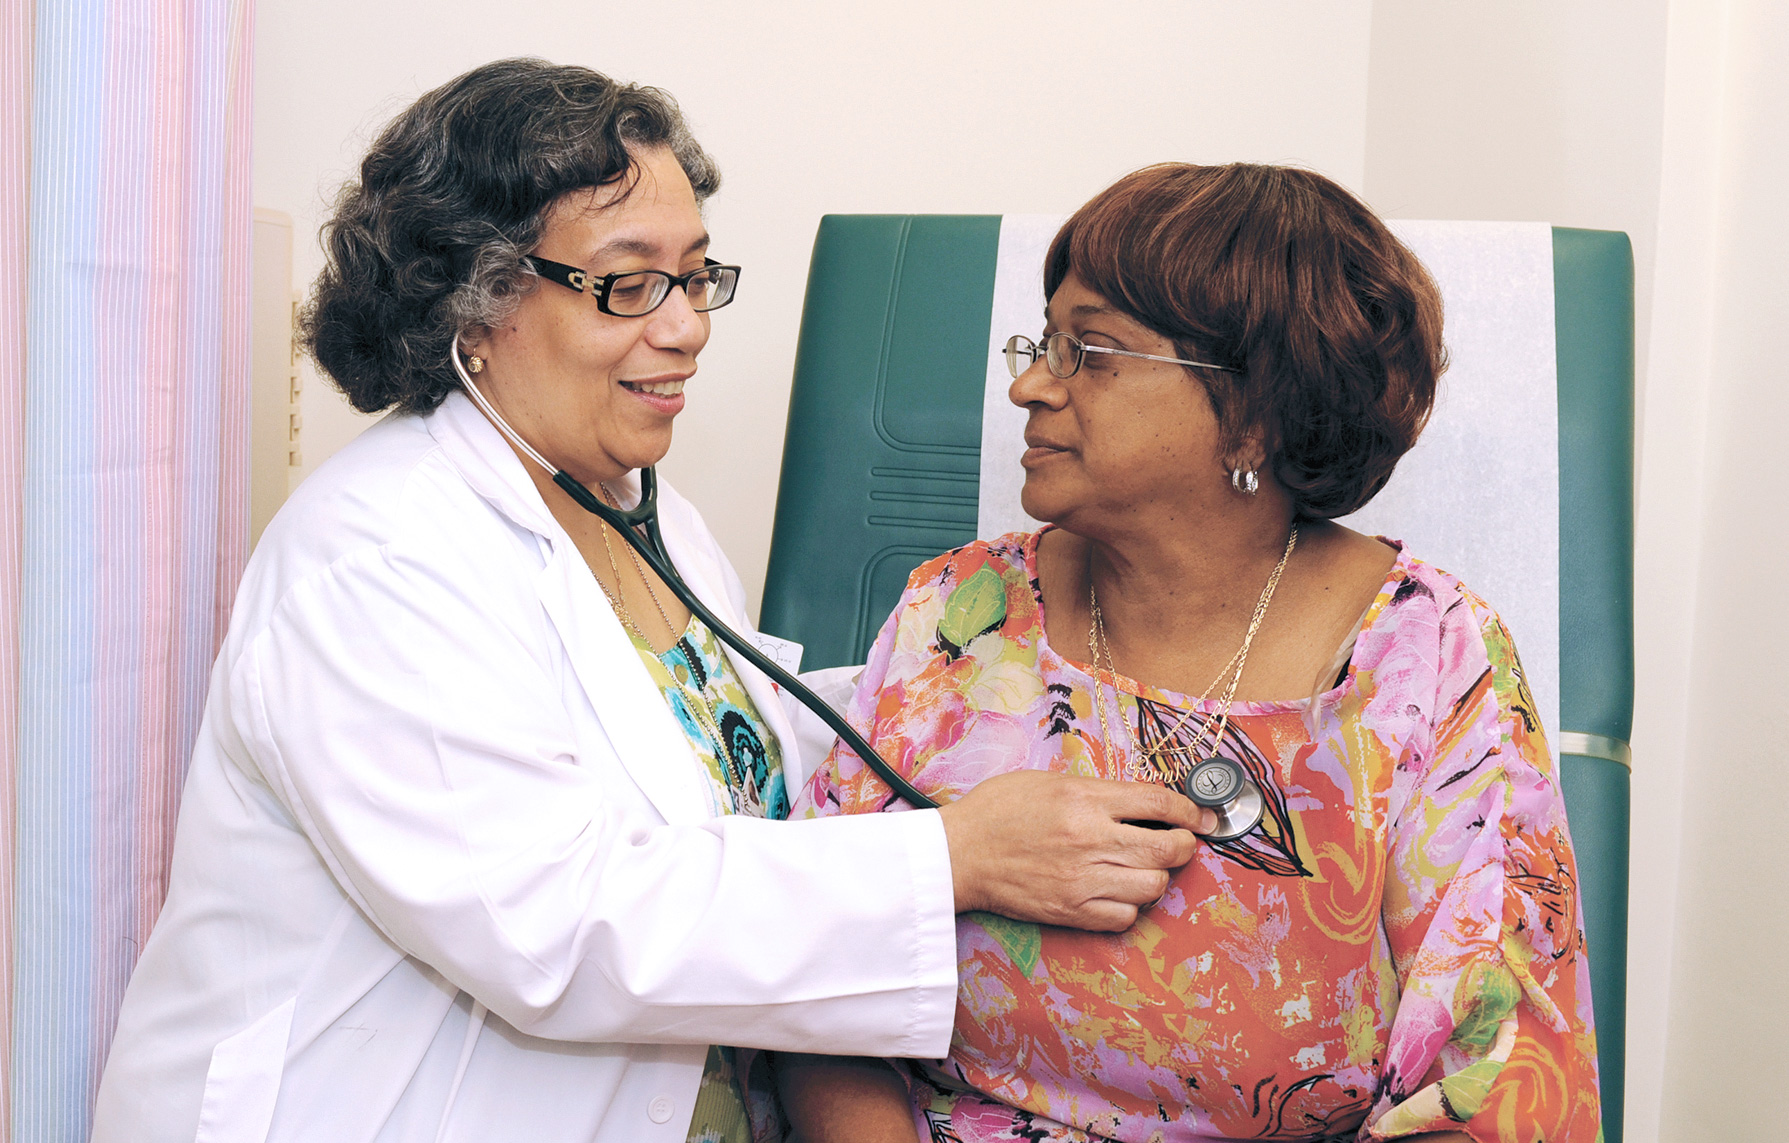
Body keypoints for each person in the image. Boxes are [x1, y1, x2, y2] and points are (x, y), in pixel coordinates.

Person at [88, 61, 1218, 1143]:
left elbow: (708, 753)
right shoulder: (378, 556)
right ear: (471, 301)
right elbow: (557, 924)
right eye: (628, 284)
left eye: (694, 274)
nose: (684, 325)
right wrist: (954, 857)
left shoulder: (636, 506)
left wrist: (978, 696)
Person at [783, 164, 1600, 1143]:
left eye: (1087, 351)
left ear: (1254, 411)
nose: (1026, 384)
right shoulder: (959, 612)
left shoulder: (1423, 660)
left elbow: (1498, 1077)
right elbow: (812, 973)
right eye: (1043, 341)